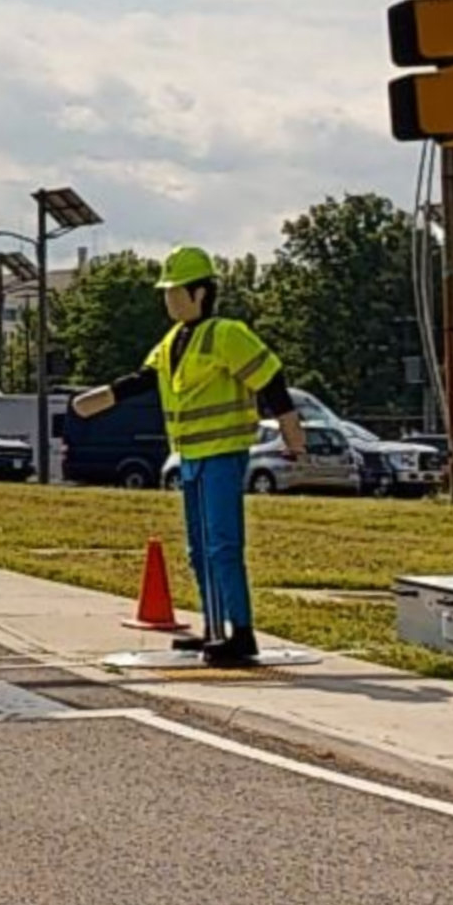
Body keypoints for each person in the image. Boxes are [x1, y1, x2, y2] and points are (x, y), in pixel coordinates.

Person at [67, 246, 303, 667]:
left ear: (201, 293)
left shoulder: (227, 334)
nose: (169, 300)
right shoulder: (174, 340)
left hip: (223, 453)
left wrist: (291, 431)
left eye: (176, 291)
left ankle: (241, 632)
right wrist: (105, 396)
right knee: (199, 548)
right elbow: (147, 378)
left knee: (223, 545)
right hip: (190, 455)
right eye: (167, 292)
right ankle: (213, 629)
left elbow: (270, 379)